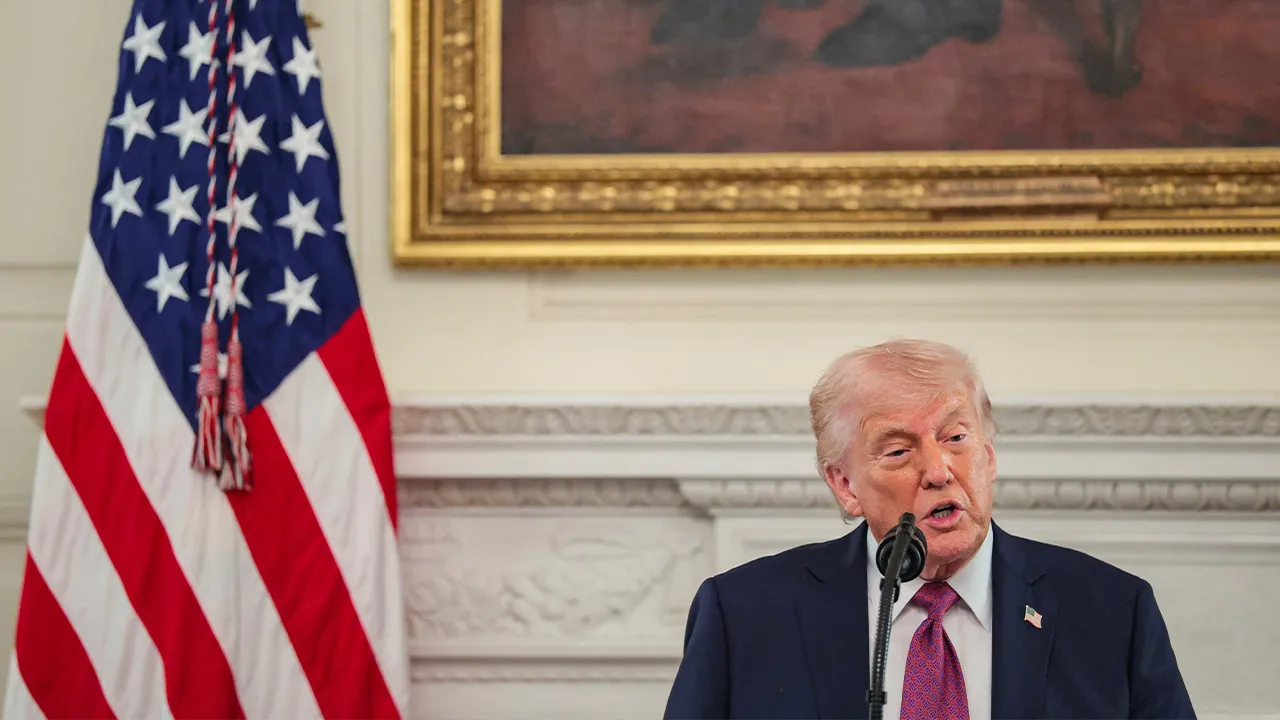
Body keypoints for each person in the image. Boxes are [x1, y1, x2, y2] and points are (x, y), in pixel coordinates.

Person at [663, 339, 1195, 719]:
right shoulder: (745, 614)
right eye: (899, 451)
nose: (940, 470)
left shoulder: (1111, 609)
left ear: (988, 456)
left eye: (957, 438)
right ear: (845, 484)